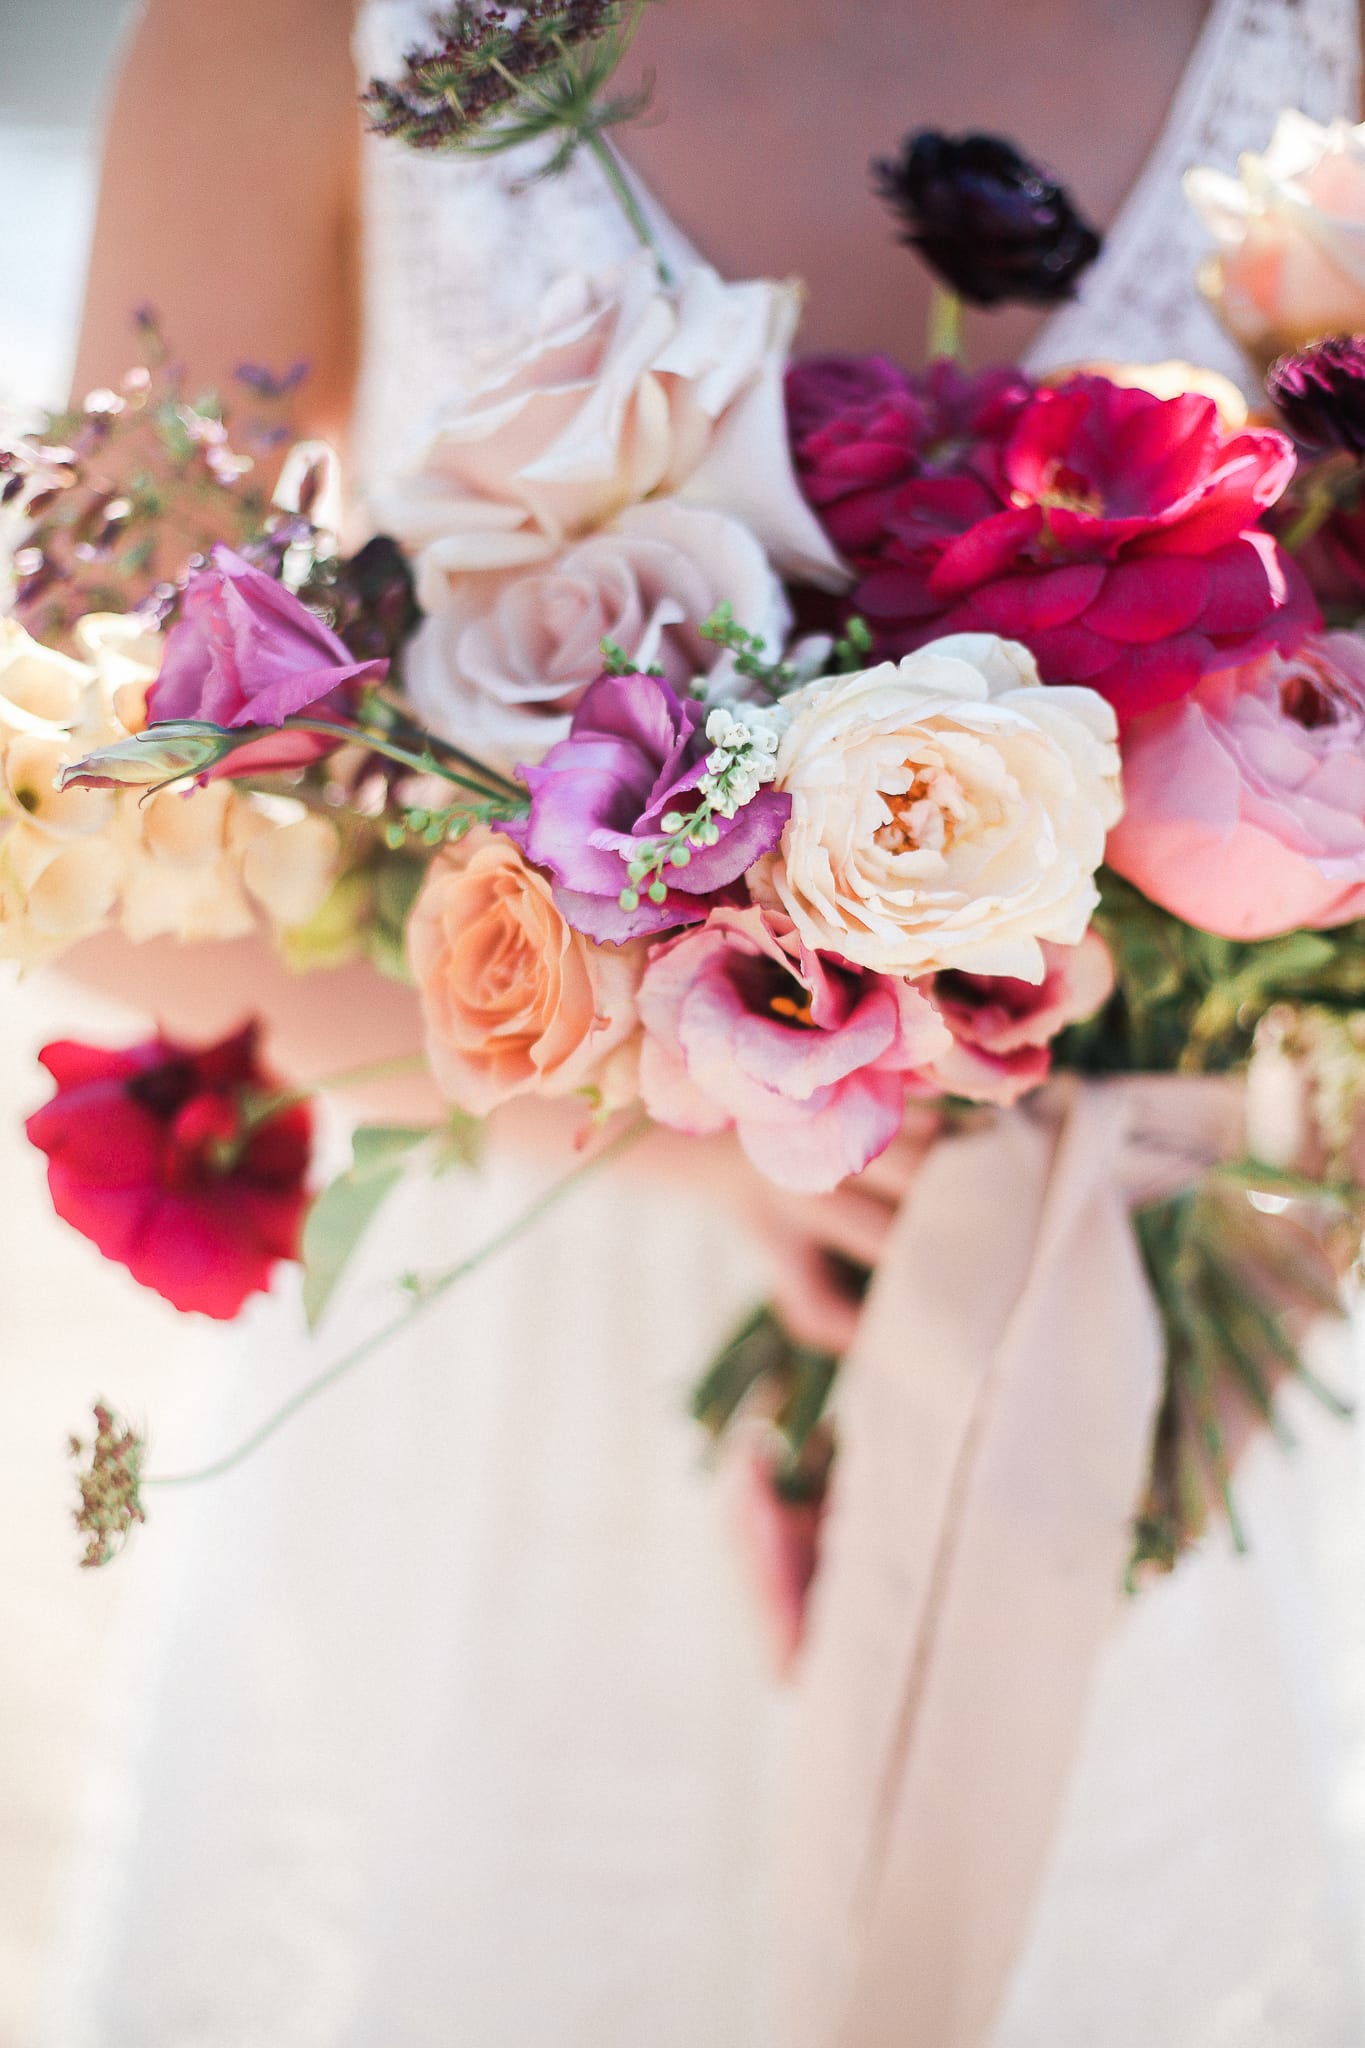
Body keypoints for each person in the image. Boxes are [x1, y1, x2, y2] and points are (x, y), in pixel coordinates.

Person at [34, 1, 1365, 2042]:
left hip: (1151, 1315)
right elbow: (57, 809)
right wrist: (657, 1113)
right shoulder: (278, 36)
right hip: (531, 1358)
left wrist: (1288, 1161)